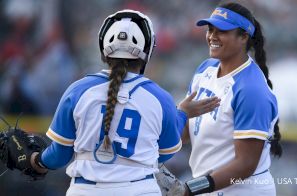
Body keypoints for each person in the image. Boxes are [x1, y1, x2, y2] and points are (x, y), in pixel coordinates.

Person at [28, 9, 220, 196]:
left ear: (104, 50)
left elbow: (59, 156)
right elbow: (163, 154)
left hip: (85, 190)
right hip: (140, 189)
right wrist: (182, 113)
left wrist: (35, 160)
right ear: (146, 52)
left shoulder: (78, 90)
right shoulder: (160, 98)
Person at [182, 2, 282, 196]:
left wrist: (191, 188)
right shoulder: (205, 69)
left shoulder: (251, 90)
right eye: (210, 29)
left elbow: (245, 164)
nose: (212, 36)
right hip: (208, 187)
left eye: (222, 31)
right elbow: (185, 134)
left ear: (244, 37)